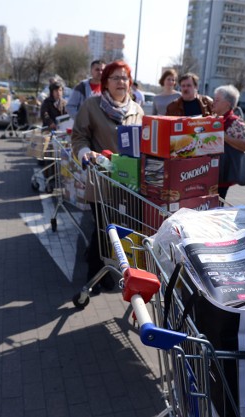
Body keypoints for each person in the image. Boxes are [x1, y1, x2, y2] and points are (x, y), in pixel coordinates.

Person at [71, 60, 144, 293]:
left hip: (129, 183)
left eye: (125, 78)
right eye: (116, 78)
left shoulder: (137, 109)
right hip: (102, 180)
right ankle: (94, 276)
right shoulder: (92, 106)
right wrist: (85, 153)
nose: (121, 82)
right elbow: (79, 137)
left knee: (121, 230)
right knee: (103, 229)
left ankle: (110, 271)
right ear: (106, 82)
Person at [212, 85, 245, 199]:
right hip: (208, 173)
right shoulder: (213, 118)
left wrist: (225, 137)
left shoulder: (235, 122)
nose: (213, 102)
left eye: (217, 100)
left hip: (222, 176)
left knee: (216, 207)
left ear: (227, 104)